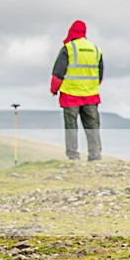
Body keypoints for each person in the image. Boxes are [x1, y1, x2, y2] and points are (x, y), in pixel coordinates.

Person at [50, 20, 104, 161]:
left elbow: (58, 74)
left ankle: (73, 156)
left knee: (71, 127)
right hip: (91, 96)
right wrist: (89, 86)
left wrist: (54, 90)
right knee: (92, 127)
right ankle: (95, 155)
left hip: (70, 96)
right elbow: (100, 76)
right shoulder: (95, 50)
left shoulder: (68, 48)